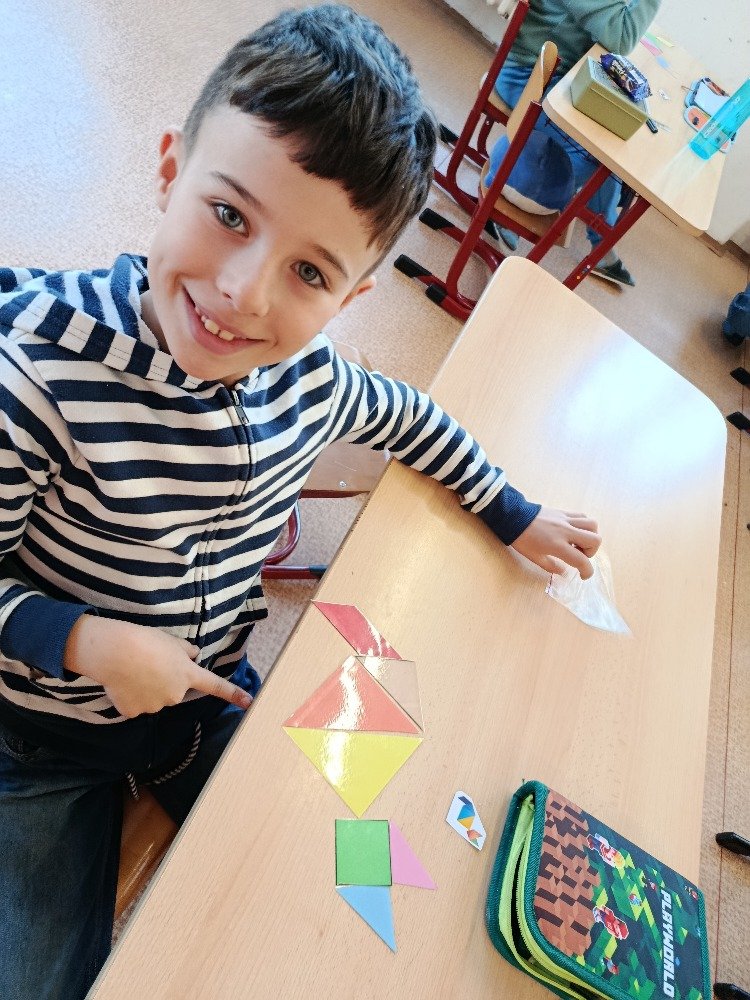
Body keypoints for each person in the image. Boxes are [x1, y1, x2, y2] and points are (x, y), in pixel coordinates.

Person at [0, 5, 601, 997]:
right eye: (230, 214)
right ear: (168, 170)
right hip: (42, 737)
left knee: (328, 897)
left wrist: (512, 511)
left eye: (310, 272)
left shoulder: (308, 379)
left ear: (352, 298)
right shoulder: (38, 377)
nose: (244, 293)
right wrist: (80, 639)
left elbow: (410, 415)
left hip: (207, 697)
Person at [494, 0, 662, 286]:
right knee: (600, 152)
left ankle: (600, 243)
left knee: (608, 141)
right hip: (526, 78)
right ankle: (508, 198)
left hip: (556, 75)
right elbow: (621, 37)